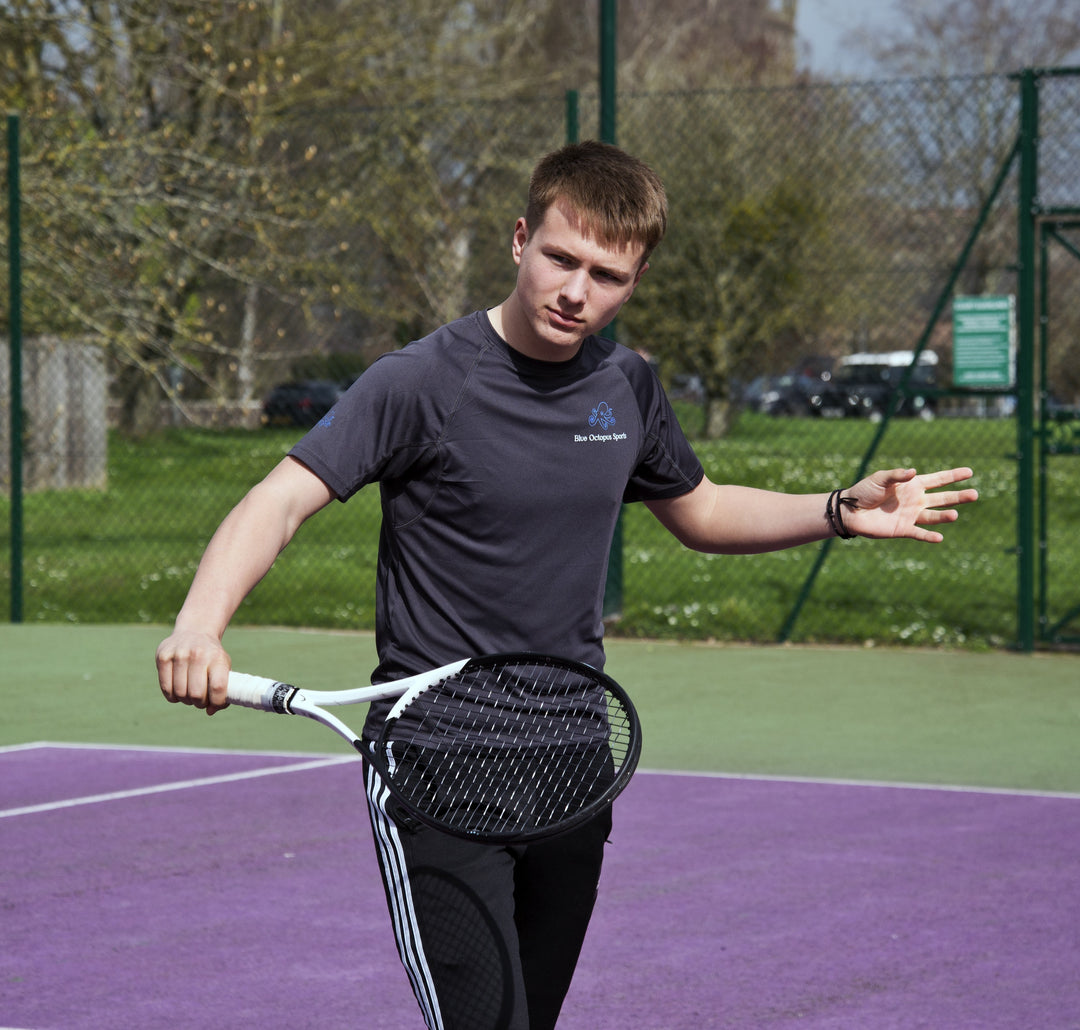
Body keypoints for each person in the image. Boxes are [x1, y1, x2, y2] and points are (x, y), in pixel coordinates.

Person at [156, 140, 978, 1029]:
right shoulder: (422, 382)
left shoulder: (627, 387)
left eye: (608, 275)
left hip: (575, 765)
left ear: (636, 278)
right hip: (439, 765)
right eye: (561, 258)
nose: (577, 291)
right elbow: (279, 500)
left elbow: (699, 510)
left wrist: (836, 509)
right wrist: (200, 625)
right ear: (519, 240)